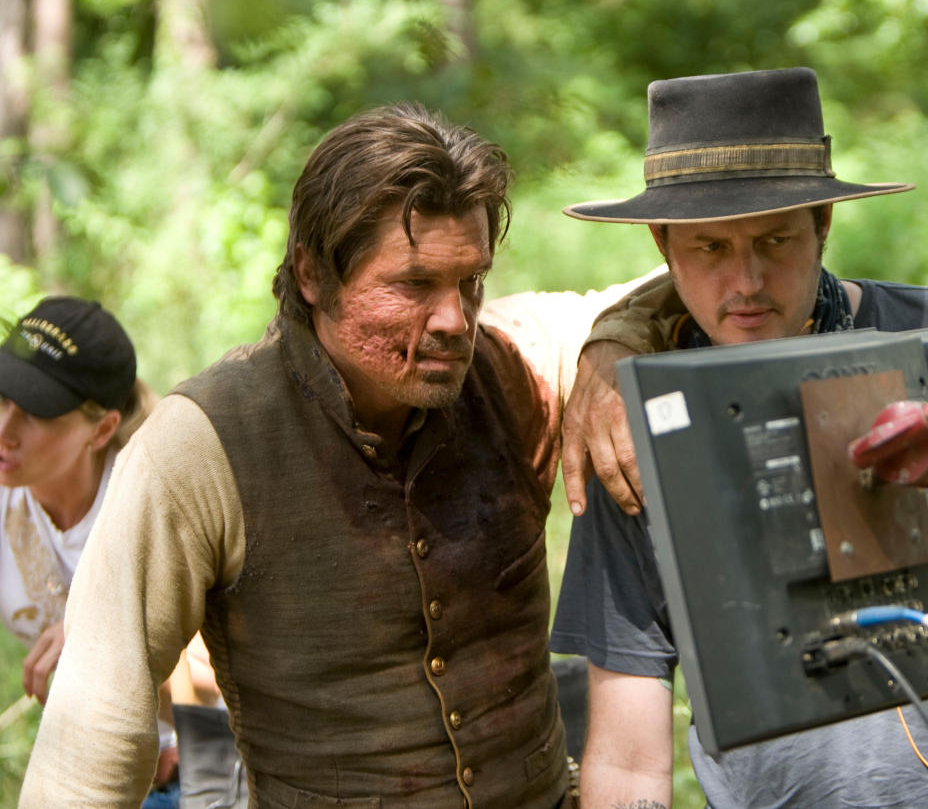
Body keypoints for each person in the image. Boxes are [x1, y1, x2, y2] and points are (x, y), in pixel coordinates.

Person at [19, 102, 656, 807]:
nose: (453, 319)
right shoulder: (202, 446)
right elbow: (93, 733)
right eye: (413, 285)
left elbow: (673, 290)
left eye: (470, 281)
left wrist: (611, 347)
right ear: (313, 272)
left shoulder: (513, 365)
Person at [549, 68, 928, 808]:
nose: (747, 281)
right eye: (709, 249)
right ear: (662, 245)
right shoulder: (634, 437)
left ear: (823, 226)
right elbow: (628, 757)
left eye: (776, 240)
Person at [0, 297, 176, 801]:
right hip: (81, 772)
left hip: (196, 768)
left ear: (101, 429)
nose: (5, 431)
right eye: (1, 398)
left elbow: (216, 656)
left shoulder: (156, 498)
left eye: (34, 411)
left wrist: (94, 632)